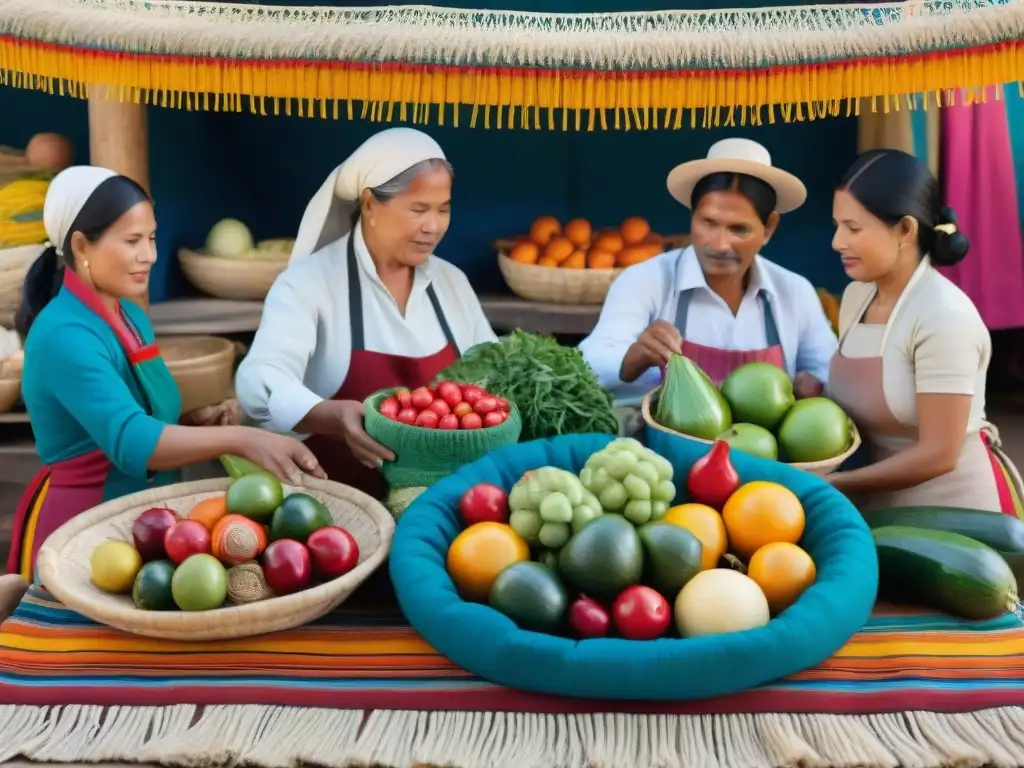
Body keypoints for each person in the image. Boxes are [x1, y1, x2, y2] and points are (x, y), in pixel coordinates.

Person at [6, 166, 325, 581]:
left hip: (147, 523)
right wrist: (245, 439)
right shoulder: (63, 334)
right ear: (82, 245)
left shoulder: (130, 316)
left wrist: (193, 422)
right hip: (84, 533)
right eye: (133, 241)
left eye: (152, 238)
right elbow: (130, 440)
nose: (150, 255)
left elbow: (138, 417)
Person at [235, 128, 497, 498]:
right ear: (370, 205)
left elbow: (496, 374)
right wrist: (331, 416)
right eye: (419, 209)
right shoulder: (309, 285)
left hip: (440, 507)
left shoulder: (451, 284)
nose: (433, 226)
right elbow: (257, 382)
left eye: (444, 209)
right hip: (335, 515)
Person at [827, 149, 1023, 515]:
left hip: (957, 513)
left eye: (853, 228)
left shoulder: (943, 316)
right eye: (837, 225)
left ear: (904, 230)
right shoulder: (856, 296)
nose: (837, 242)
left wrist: (836, 483)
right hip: (880, 504)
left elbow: (939, 454)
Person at [580, 138, 837, 397]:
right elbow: (591, 364)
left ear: (769, 227)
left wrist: (818, 387)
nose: (720, 244)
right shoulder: (644, 281)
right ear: (692, 215)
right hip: (663, 438)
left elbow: (830, 374)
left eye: (738, 229)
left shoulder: (794, 292)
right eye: (708, 223)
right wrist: (633, 358)